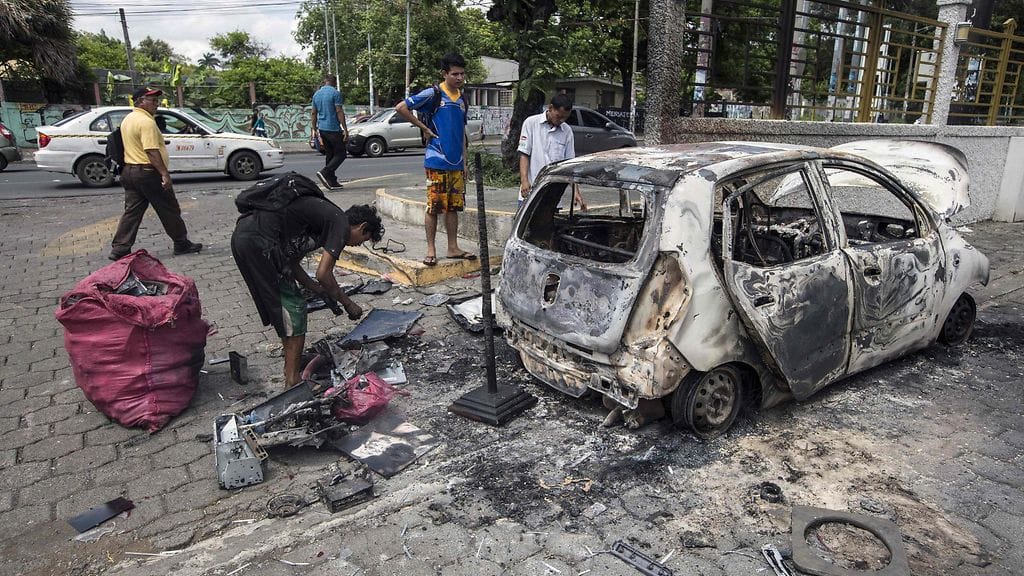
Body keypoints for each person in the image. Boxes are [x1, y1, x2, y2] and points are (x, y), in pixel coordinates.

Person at [231, 200, 383, 387]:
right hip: (259, 243)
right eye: (363, 239)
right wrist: (348, 303)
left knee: (286, 309)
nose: (359, 245)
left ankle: (289, 370)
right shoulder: (339, 226)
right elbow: (323, 274)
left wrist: (317, 290)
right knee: (294, 310)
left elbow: (293, 263)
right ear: (362, 227)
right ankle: (293, 383)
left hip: (244, 238)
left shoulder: (324, 222)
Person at [395, 52, 477, 266]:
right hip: (436, 160)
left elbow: (462, 134)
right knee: (434, 206)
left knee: (454, 207)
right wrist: (423, 128)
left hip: (456, 163)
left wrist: (465, 162)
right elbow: (401, 107)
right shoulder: (434, 94)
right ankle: (431, 249)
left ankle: (453, 247)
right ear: (445, 74)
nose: (459, 78)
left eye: (462, 74)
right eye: (455, 74)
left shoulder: (462, 99)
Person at [109, 87, 202, 261]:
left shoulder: (128, 119)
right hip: (147, 172)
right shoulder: (146, 122)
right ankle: (181, 243)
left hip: (130, 171)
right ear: (140, 101)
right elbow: (151, 150)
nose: (156, 104)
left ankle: (120, 248)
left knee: (132, 211)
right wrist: (164, 174)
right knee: (169, 209)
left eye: (156, 100)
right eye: (151, 100)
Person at [517, 93, 586, 211]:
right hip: (530, 192)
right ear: (550, 108)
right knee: (526, 228)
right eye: (559, 116)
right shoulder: (531, 123)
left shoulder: (567, 131)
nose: (561, 120)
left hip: (553, 198)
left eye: (565, 118)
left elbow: (570, 166)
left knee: (549, 228)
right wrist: (524, 181)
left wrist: (576, 192)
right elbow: (524, 154)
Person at [311, 75, 348, 190]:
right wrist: (345, 129)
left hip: (322, 129)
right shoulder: (335, 93)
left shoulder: (316, 94)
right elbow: (339, 111)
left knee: (330, 155)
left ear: (325, 81)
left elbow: (313, 113)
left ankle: (331, 181)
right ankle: (325, 172)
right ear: (334, 82)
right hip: (333, 129)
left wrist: (314, 129)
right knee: (341, 154)